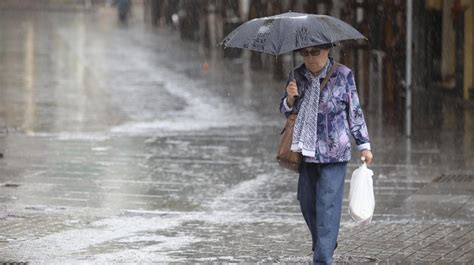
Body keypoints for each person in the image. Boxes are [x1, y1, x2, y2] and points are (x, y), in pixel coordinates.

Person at [279, 44, 373, 264]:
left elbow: (355, 111)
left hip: (335, 153)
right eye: (305, 53)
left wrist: (364, 145)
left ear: (327, 50)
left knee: (327, 205)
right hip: (306, 151)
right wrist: (289, 99)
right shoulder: (297, 76)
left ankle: (322, 257)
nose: (310, 58)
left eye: (315, 53)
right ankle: (326, 241)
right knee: (307, 202)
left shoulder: (343, 75)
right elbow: (284, 110)